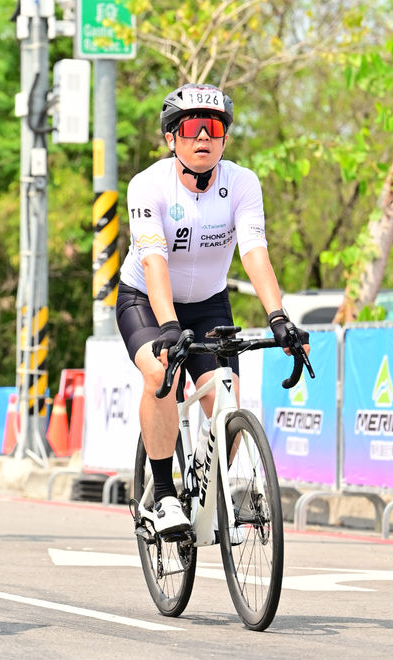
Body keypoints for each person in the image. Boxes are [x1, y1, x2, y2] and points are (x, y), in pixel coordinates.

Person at [116, 83, 304, 537]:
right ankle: (163, 496)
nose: (203, 136)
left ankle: (207, 488)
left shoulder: (242, 182)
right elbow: (153, 260)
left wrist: (278, 317)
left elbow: (254, 252)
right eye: (192, 127)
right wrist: (167, 325)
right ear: (171, 137)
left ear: (225, 138)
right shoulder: (148, 185)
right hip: (146, 300)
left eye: (213, 128)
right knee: (160, 375)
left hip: (208, 304)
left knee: (227, 404)